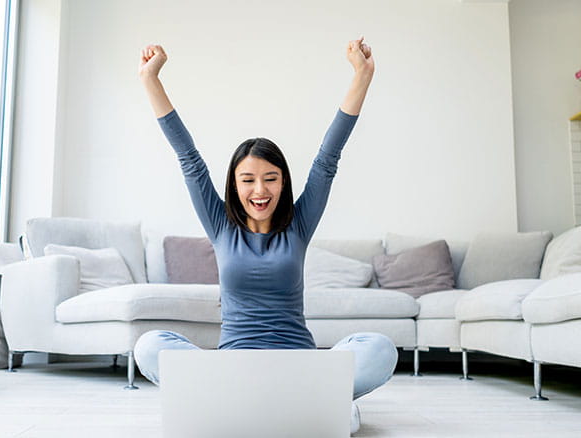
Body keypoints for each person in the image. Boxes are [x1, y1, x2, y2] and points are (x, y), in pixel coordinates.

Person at [134, 37, 397, 435]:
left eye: (271, 179)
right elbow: (188, 158)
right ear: (234, 186)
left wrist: (363, 75)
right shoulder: (220, 225)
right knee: (149, 345)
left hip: (299, 366)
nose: (260, 190)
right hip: (234, 367)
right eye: (248, 180)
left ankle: (263, 405)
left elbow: (328, 158)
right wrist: (151, 79)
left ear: (283, 182)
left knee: (380, 348)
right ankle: (306, 406)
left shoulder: (299, 225)